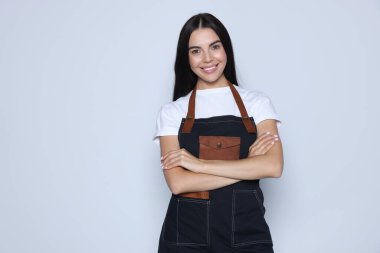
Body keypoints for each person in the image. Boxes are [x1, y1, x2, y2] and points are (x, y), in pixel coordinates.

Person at [153, 13, 283, 253]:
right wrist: (249, 166)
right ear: (187, 58)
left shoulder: (257, 104)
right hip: (185, 238)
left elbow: (273, 166)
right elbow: (178, 183)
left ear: (226, 49)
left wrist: (198, 165)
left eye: (214, 46)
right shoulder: (172, 112)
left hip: (247, 236)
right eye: (196, 51)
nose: (207, 58)